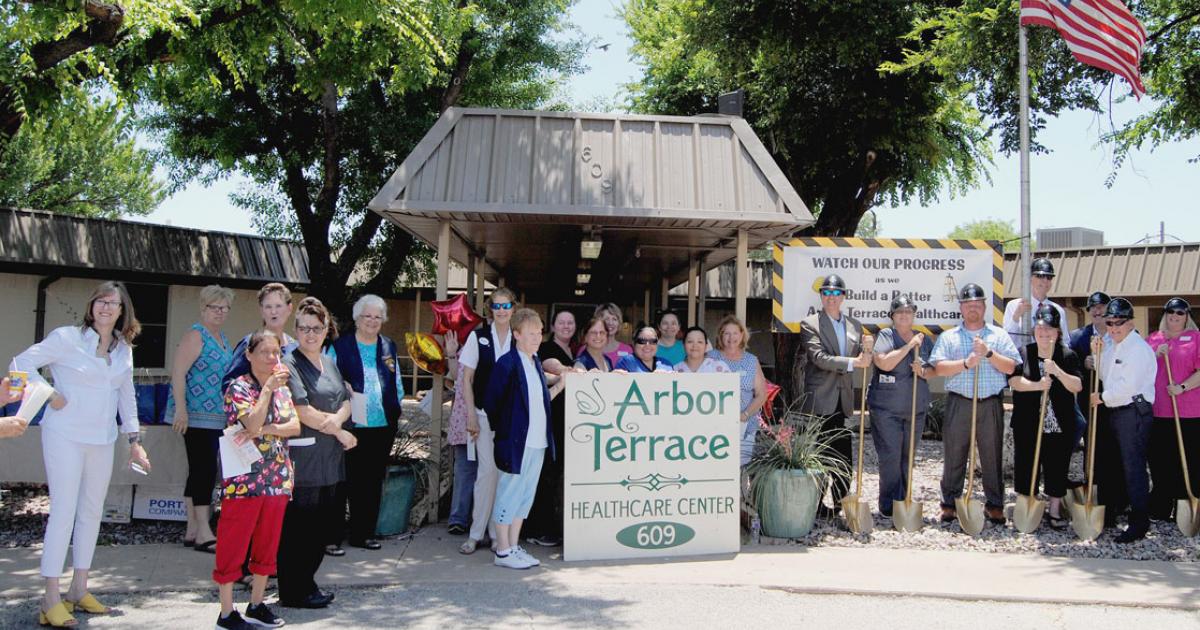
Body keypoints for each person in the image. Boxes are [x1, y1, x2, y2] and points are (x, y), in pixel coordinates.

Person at [10, 281, 152, 628]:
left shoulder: (123, 349)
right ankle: (50, 597)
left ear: (122, 311)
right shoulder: (66, 338)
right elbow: (20, 363)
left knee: (91, 511)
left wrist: (134, 440)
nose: (106, 308)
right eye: (101, 301)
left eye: (113, 303)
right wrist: (47, 393)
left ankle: (79, 589)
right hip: (65, 436)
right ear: (92, 306)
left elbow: (126, 397)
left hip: (102, 440)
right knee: (63, 510)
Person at [214, 330, 300, 630]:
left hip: (276, 476)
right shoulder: (238, 388)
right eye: (264, 352)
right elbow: (249, 421)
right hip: (244, 479)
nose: (272, 358)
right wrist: (265, 394)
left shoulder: (283, 389)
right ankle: (226, 612)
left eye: (276, 352)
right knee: (233, 542)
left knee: (268, 541)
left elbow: (294, 426)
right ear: (248, 355)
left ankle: (257, 603)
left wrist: (264, 429)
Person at [279, 298, 357, 608]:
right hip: (305, 459)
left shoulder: (330, 363)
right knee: (300, 527)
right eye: (304, 328)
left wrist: (339, 420)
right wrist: (339, 431)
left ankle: (307, 583)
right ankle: (293, 590)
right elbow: (302, 410)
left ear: (327, 331)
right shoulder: (289, 365)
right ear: (295, 330)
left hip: (329, 459)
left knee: (321, 526)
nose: (310, 334)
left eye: (317, 328)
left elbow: (346, 400)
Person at [931, 283, 1020, 525]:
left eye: (977, 305)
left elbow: (1011, 367)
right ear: (961, 307)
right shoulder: (949, 336)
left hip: (989, 403)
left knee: (992, 455)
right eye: (968, 305)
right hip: (959, 402)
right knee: (954, 454)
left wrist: (989, 353)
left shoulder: (998, 335)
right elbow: (939, 367)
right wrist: (967, 363)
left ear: (984, 307)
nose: (973, 309)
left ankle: (995, 505)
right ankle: (949, 503)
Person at [328, 294, 406, 553]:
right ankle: (333, 536)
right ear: (357, 318)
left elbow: (396, 381)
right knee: (344, 480)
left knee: (372, 481)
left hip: (382, 425)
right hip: (349, 425)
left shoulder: (388, 346)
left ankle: (364, 534)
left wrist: (398, 402)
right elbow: (327, 379)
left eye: (377, 316)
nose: (372, 321)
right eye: (367, 316)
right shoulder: (340, 347)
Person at [483, 308, 554, 569]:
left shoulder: (535, 362)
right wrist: (506, 431)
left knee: (525, 496)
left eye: (539, 333)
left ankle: (513, 545)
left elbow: (539, 400)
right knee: (508, 494)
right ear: (517, 335)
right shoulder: (507, 363)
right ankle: (502, 550)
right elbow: (492, 402)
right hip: (515, 443)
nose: (537, 338)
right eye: (531, 333)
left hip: (537, 442)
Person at [167, 284, 235, 552]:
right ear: (203, 308)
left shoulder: (221, 338)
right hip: (195, 416)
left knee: (200, 469)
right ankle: (205, 531)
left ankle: (192, 528)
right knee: (204, 470)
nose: (219, 313)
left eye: (224, 308)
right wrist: (181, 410)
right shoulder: (196, 336)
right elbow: (178, 373)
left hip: (216, 416)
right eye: (213, 308)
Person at [797, 274, 873, 515]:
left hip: (843, 401)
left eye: (836, 293)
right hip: (820, 400)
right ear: (821, 296)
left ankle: (841, 504)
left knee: (843, 457)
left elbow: (862, 355)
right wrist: (854, 362)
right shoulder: (810, 323)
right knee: (818, 456)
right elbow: (819, 359)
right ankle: (816, 505)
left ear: (843, 297)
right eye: (826, 293)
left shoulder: (854, 325)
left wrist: (867, 350)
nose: (831, 298)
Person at [1008, 305, 1083, 530]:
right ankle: (1028, 504)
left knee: (1057, 465)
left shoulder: (1067, 356)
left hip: (1058, 423)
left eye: (1050, 330)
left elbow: (1077, 385)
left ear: (1057, 332)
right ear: (1034, 331)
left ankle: (1055, 509)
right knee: (1026, 464)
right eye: (1040, 329)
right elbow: (1013, 382)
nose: (1045, 334)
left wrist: (1058, 372)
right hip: (1028, 422)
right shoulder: (1024, 353)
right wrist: (1038, 385)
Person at [1091, 297, 1157, 543]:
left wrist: (1101, 397)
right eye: (1110, 323)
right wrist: (1097, 354)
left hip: (1132, 410)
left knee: (1134, 468)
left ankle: (1139, 523)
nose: (1114, 327)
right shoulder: (1115, 345)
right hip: (1117, 410)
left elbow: (1127, 386)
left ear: (1130, 322)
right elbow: (1104, 373)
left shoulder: (1137, 348)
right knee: (1118, 467)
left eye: (1119, 322)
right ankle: (1119, 513)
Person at [458, 288, 517, 554]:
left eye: (506, 306)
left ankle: (497, 534)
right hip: (482, 416)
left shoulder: (518, 339)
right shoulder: (477, 337)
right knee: (486, 475)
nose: (502, 311)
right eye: (497, 306)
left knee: (505, 476)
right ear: (490, 308)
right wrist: (471, 414)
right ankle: (475, 533)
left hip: (511, 420)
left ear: (513, 309)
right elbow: (466, 379)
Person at [868, 296, 933, 518]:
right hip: (887, 410)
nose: (904, 315)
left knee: (907, 457)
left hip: (915, 409)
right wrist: (909, 347)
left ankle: (903, 501)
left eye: (908, 312)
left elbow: (934, 369)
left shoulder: (924, 339)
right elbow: (884, 362)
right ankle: (888, 504)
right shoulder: (886, 336)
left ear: (914, 315)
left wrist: (922, 369)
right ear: (893, 316)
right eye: (900, 312)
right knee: (890, 456)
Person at [524, 310, 577, 547]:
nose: (566, 326)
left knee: (556, 476)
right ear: (553, 326)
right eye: (561, 322)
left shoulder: (574, 350)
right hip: (549, 420)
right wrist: (572, 371)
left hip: (567, 421)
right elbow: (552, 366)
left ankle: (552, 526)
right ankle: (536, 529)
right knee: (545, 474)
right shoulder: (546, 348)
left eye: (571, 322)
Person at [1146, 298, 1200, 521]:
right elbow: (1139, 368)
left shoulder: (1196, 339)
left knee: (1190, 459)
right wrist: (1155, 354)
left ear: (1187, 316)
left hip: (1188, 411)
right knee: (1160, 461)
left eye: (1179, 313)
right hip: (1159, 411)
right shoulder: (1153, 340)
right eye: (1170, 312)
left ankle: (1188, 503)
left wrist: (1182, 387)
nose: (1174, 316)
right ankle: (1161, 505)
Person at [1071, 291, 1125, 511]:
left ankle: (1118, 499)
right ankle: (1093, 497)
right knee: (1092, 450)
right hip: (1089, 403)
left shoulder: (1120, 335)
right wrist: (1082, 365)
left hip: (1115, 402)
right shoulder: (1077, 338)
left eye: (1101, 306)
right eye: (1092, 307)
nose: (1097, 310)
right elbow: (1070, 368)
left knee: (1116, 450)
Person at [709, 315, 768, 467]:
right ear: (720, 336)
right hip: (715, 424)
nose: (731, 337)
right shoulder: (710, 357)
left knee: (740, 468)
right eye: (726, 333)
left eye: (735, 333)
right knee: (716, 467)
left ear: (742, 335)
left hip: (744, 424)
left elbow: (761, 394)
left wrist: (745, 415)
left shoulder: (751, 360)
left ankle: (741, 492)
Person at [223, 283, 297, 390]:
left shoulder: (295, 347)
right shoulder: (249, 342)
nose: (273, 312)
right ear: (261, 311)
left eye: (278, 306)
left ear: (289, 309)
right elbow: (229, 384)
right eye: (268, 306)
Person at [1003, 257, 1070, 347]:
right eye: (1040, 276)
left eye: (1049, 277)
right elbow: (1006, 340)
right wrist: (1016, 316)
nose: (1045, 280)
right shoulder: (1014, 306)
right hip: (1022, 359)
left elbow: (1065, 341)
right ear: (1030, 278)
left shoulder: (1057, 310)